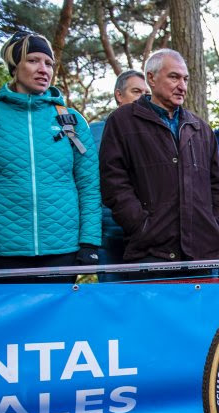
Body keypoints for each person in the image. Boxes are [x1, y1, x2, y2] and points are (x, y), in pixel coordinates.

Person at [0, 31, 100, 284]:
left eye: (49, 63)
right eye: (33, 60)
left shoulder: (71, 120)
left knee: (56, 323)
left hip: (62, 250)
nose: (43, 69)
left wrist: (89, 242)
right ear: (14, 66)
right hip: (2, 250)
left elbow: (89, 187)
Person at [99, 49, 219, 278]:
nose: (182, 86)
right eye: (174, 77)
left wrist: (216, 225)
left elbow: (217, 184)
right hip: (151, 252)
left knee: (201, 316)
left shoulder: (200, 128)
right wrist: (141, 225)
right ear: (151, 78)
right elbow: (113, 182)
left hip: (201, 254)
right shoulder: (122, 121)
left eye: (185, 79)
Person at [89, 70, 149, 282]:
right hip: (108, 232)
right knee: (112, 296)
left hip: (148, 233)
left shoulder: (155, 133)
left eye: (146, 92)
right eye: (136, 91)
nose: (142, 97)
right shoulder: (93, 133)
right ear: (119, 95)